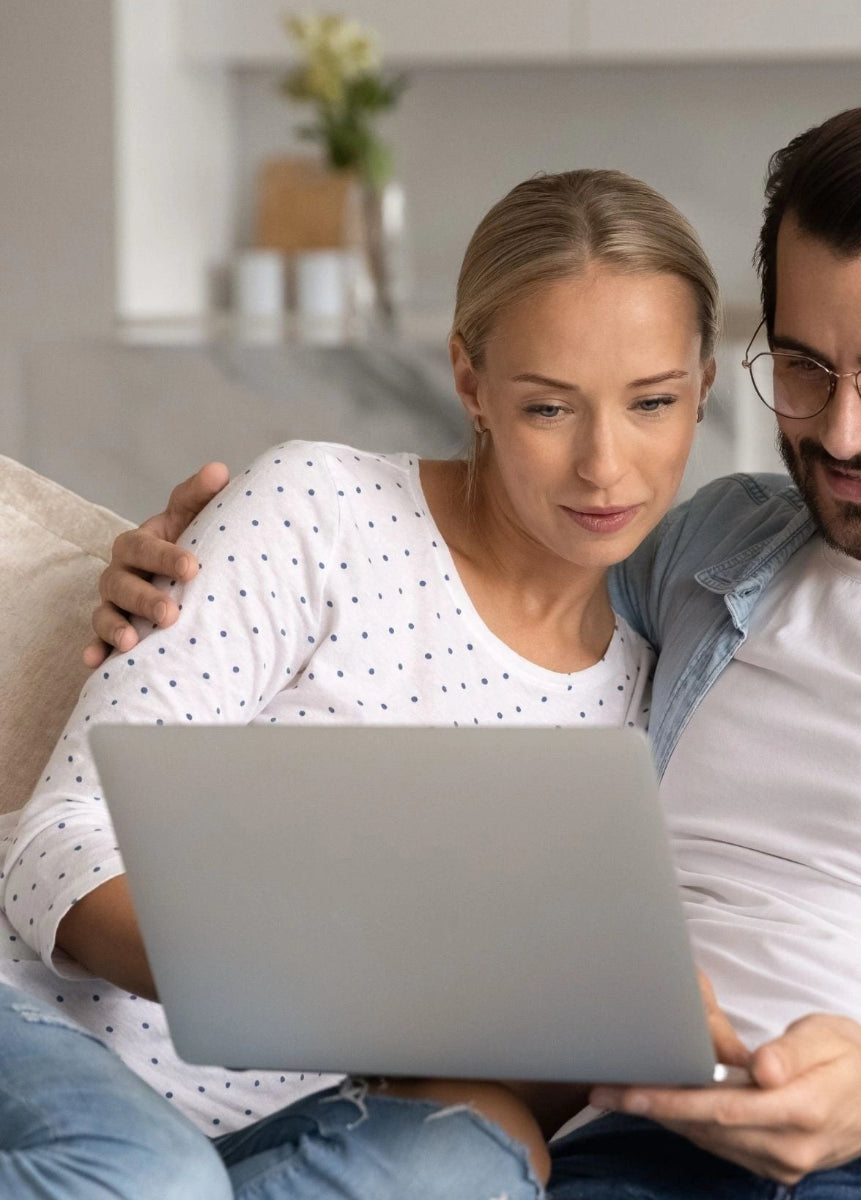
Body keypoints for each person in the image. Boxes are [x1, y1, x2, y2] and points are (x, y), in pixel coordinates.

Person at [101, 96, 861, 1200]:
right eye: (806, 367)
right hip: (615, 1155)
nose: (844, 430)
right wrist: (176, 572)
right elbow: (483, 563)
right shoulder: (705, 548)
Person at [0, 167, 721, 1199]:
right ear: (470, 383)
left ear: (703, 386)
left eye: (653, 402)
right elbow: (54, 844)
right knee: (155, 1176)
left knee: (477, 1157)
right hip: (46, 1040)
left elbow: (528, 1066)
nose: (605, 465)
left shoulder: (656, 698)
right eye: (549, 407)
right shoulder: (321, 511)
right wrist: (297, 982)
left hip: (286, 1140)